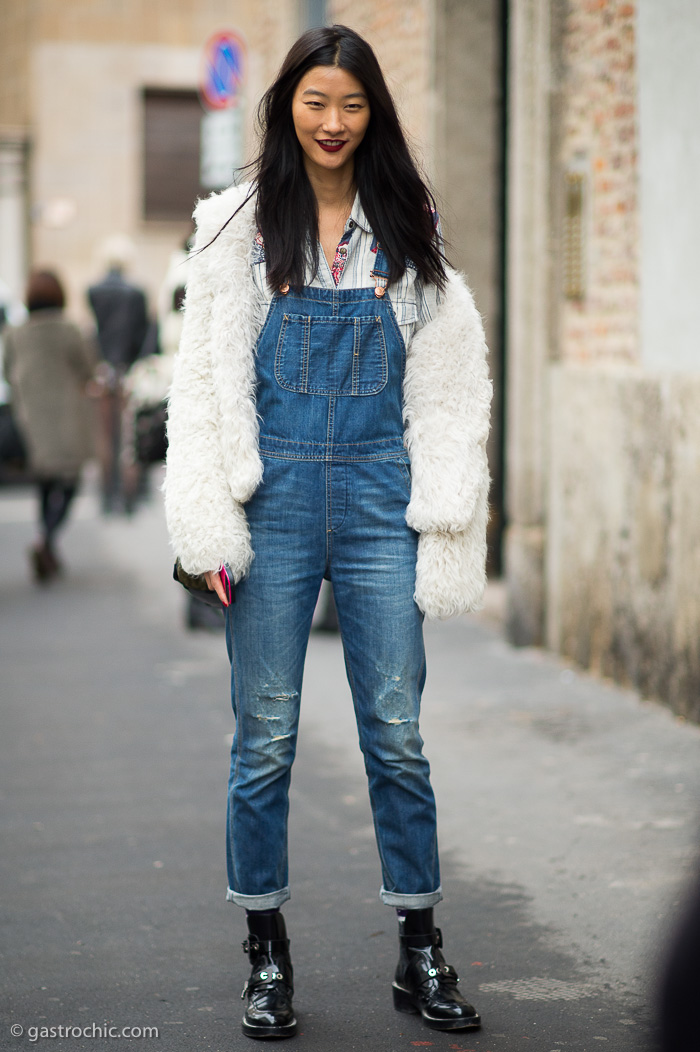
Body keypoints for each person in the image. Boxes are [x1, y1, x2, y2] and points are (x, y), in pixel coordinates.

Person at [164, 24, 491, 1040]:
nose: (333, 122)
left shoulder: (408, 220)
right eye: (315, 101)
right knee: (262, 737)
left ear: (372, 111)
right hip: (273, 499)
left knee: (395, 731)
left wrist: (443, 503)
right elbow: (204, 388)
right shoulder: (236, 229)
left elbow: (445, 383)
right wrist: (205, 520)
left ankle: (419, 947)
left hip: (378, 498)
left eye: (351, 103)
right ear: (286, 107)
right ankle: (265, 950)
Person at [4, 269, 96, 581]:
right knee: (70, 482)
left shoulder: (15, 333)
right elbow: (88, 370)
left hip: (30, 419)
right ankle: (47, 540)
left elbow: (7, 373)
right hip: (67, 418)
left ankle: (47, 544)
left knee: (44, 483)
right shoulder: (71, 330)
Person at [87, 236, 148, 512]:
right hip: (128, 368)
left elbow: (95, 332)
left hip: (102, 369)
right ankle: (127, 495)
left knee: (105, 433)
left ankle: (106, 494)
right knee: (127, 434)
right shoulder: (136, 294)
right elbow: (141, 334)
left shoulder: (93, 291)